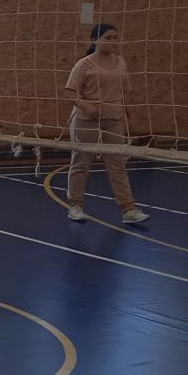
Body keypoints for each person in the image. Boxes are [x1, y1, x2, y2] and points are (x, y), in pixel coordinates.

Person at [63, 23, 149, 226]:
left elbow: (124, 93)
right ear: (95, 40)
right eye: (108, 38)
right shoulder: (84, 64)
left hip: (113, 120)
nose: (113, 42)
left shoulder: (120, 62)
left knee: (118, 164)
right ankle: (75, 205)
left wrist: (130, 116)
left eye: (115, 38)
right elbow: (69, 92)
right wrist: (88, 107)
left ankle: (128, 209)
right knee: (81, 162)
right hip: (86, 120)